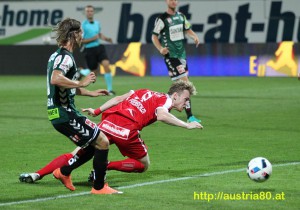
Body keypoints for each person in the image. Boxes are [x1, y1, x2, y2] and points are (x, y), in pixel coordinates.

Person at [19, 80, 203, 184]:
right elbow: (162, 115)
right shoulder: (166, 102)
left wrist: (97, 111)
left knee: (79, 152)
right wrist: (187, 125)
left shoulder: (144, 90)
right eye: (186, 99)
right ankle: (104, 166)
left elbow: (119, 98)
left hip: (109, 121)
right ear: (175, 95)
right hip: (127, 130)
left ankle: (37, 174)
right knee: (143, 164)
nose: (186, 103)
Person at [23, 17, 120, 194]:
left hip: (60, 113)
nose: (82, 35)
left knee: (92, 146)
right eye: (81, 32)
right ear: (74, 34)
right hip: (64, 113)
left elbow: (64, 86)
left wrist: (91, 92)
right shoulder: (65, 57)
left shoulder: (56, 55)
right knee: (103, 141)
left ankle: (64, 172)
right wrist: (81, 84)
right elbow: (56, 79)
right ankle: (99, 187)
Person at [152, 0, 201, 123]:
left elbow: (187, 29)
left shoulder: (181, 16)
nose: (173, 1)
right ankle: (190, 116)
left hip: (182, 55)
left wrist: (194, 36)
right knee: (186, 85)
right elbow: (154, 36)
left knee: (177, 88)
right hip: (171, 56)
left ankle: (160, 107)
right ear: (166, 1)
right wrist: (160, 49)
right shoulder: (162, 19)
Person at [81, 5, 115, 95]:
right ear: (85, 13)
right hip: (89, 49)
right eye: (88, 11)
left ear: (93, 12)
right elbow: (81, 41)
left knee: (106, 65)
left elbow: (99, 35)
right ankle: (81, 72)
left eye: (91, 11)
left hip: (99, 47)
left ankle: (110, 90)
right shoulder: (83, 25)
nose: (89, 13)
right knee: (94, 73)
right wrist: (93, 38)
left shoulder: (97, 23)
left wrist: (107, 39)